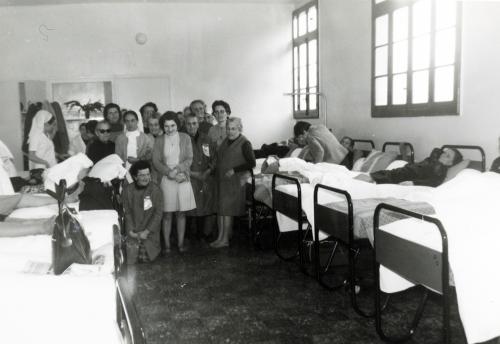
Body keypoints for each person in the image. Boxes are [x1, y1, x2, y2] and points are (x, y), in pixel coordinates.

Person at [152, 111, 196, 253]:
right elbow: (156, 161)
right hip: (166, 177)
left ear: (178, 124)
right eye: (166, 126)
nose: (169, 129)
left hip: (182, 176)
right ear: (162, 126)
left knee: (181, 213)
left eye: (172, 125)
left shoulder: (185, 138)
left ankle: (181, 244)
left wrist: (177, 171)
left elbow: (189, 158)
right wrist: (168, 173)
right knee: (167, 214)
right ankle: (167, 246)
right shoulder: (159, 140)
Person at [213, 117, 255, 248]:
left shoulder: (245, 143)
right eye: (228, 128)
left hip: (234, 182)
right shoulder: (226, 141)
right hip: (222, 181)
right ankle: (220, 237)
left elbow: (251, 163)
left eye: (233, 129)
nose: (230, 131)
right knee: (221, 211)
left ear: (240, 128)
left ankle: (225, 240)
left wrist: (234, 170)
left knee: (227, 211)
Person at [355, 147, 463, 187]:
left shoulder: (440, 170)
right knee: (361, 178)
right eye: (444, 152)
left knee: (362, 180)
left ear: (450, 163)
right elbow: (435, 151)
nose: (443, 154)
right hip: (399, 172)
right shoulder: (433, 161)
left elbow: (434, 182)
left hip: (399, 177)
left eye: (447, 156)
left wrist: (414, 183)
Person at [122, 160, 163, 263]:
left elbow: (158, 215)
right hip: (133, 232)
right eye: (142, 175)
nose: (146, 178)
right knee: (130, 258)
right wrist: (132, 232)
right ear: (135, 177)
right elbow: (127, 213)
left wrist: (146, 231)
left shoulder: (156, 190)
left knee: (145, 258)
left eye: (148, 174)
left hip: (149, 233)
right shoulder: (127, 190)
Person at [185, 113, 217, 239]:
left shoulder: (207, 139)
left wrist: (208, 171)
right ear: (185, 125)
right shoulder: (182, 140)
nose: (192, 126)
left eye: (194, 123)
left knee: (203, 207)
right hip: (189, 178)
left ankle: (201, 234)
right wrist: (193, 173)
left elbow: (214, 158)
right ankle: (188, 235)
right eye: (188, 123)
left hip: (205, 178)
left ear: (198, 124)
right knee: (189, 208)